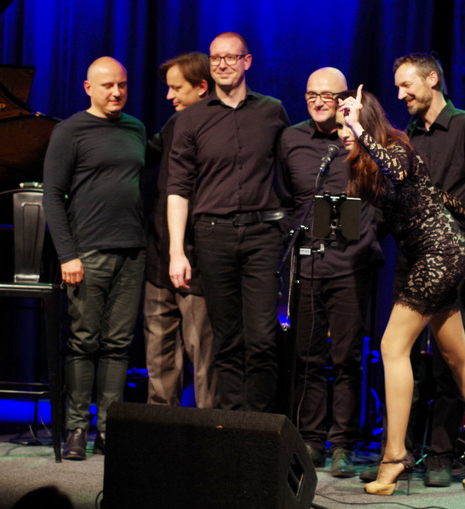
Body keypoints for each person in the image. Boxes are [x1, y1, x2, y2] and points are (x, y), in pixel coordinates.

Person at [335, 86, 465, 495]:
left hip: (438, 255)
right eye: (341, 126)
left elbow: (399, 172)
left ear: (365, 122)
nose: (343, 131)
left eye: (349, 122)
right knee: (458, 356)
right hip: (433, 254)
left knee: (392, 346)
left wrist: (360, 129)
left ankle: (394, 456)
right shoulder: (364, 165)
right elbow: (430, 193)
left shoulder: (396, 147)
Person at [391, 52, 465, 487]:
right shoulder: (407, 136)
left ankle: (440, 453)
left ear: (432, 80)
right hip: (412, 258)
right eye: (397, 87)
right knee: (407, 358)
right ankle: (401, 451)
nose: (400, 95)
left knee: (448, 363)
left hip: (451, 258)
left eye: (406, 85)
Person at [167, 32, 290, 412]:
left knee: (263, 338)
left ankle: (260, 426)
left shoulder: (272, 111)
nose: (222, 64)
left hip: (262, 235)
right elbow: (178, 187)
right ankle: (235, 425)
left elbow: (291, 171)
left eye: (230, 58)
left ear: (246, 61)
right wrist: (176, 252)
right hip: (212, 235)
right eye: (215, 58)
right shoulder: (191, 118)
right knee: (227, 339)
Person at [277, 68, 383, 477]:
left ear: (344, 99)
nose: (318, 102)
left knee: (346, 358)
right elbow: (285, 198)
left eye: (327, 95)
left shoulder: (358, 138)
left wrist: (366, 235)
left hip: (350, 266)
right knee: (307, 356)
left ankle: (343, 444)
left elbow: (383, 195)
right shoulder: (292, 139)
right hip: (306, 264)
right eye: (311, 95)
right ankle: (311, 438)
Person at [43, 56, 146, 461]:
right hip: (88, 252)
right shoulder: (70, 131)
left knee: (118, 345)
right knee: (84, 342)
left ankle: (108, 429)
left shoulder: (135, 128)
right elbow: (53, 195)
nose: (117, 92)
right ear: (88, 88)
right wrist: (67, 255)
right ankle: (75, 429)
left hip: (132, 251)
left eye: (122, 85)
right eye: (108, 86)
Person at [143, 52, 216, 408]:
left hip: (198, 259)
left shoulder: (218, 126)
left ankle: (211, 430)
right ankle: (160, 431)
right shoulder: (176, 123)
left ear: (202, 87)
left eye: (177, 88)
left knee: (204, 357)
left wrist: (183, 253)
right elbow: (147, 154)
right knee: (159, 358)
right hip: (160, 258)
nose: (169, 96)